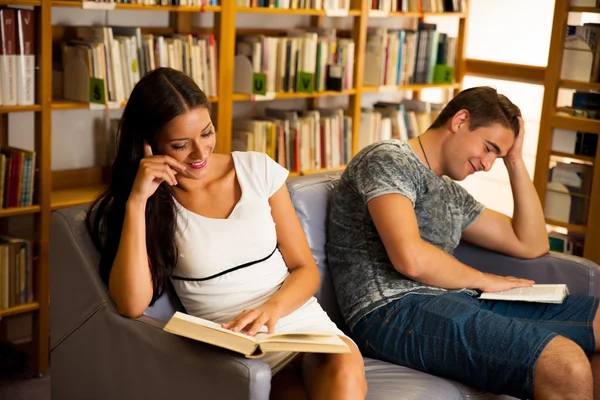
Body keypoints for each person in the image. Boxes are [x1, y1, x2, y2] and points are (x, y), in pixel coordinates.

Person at [86, 67, 367, 400]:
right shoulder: (151, 203)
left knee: (343, 365)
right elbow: (131, 305)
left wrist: (271, 310)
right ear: (150, 144)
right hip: (237, 349)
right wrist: (136, 201)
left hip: (296, 321)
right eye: (180, 145)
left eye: (206, 133)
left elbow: (305, 270)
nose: (200, 153)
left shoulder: (257, 169)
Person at [326, 86, 600, 400]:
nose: (487, 164)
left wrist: (515, 161)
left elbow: (531, 243)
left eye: (496, 156)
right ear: (460, 120)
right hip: (390, 311)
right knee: (566, 363)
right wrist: (485, 280)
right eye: (488, 147)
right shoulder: (387, 160)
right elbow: (410, 258)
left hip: (455, 299)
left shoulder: (449, 192)